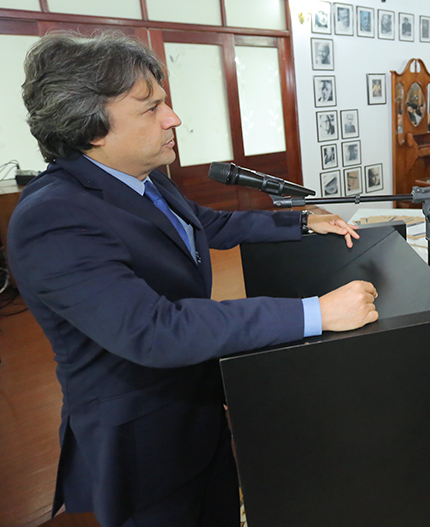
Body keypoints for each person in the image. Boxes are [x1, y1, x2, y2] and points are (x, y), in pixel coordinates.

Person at [7, 32, 379, 527]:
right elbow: (155, 329)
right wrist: (317, 312)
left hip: (197, 407)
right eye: (150, 108)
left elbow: (205, 224)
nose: (173, 118)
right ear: (92, 128)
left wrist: (300, 221)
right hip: (144, 439)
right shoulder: (52, 217)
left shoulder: (142, 175)